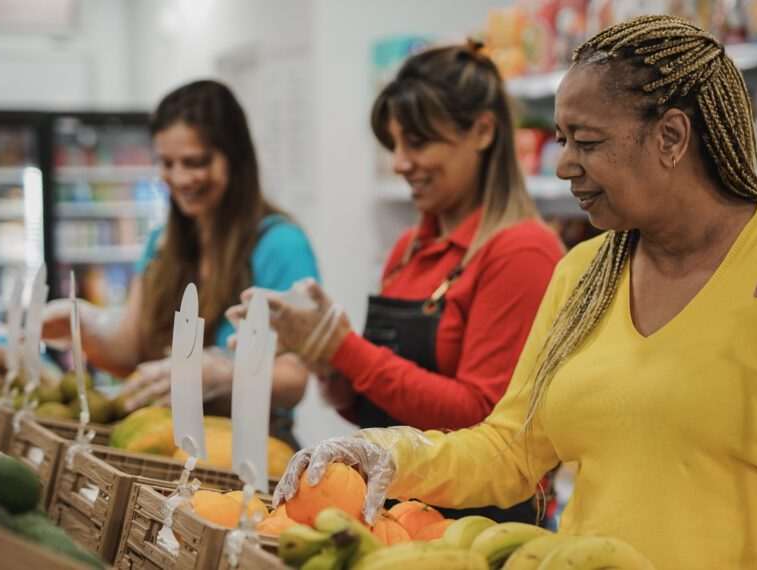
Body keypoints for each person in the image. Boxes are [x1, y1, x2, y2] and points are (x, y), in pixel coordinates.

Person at [255, 17, 757, 568]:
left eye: (586, 141)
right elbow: (511, 450)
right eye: (560, 139)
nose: (564, 165)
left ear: (671, 137)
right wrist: (391, 453)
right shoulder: (584, 273)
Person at [230, 43, 564, 523]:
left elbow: (486, 423)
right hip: (395, 513)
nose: (401, 162)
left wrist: (344, 347)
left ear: (483, 132)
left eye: (419, 142)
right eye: (395, 145)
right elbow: (388, 415)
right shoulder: (408, 250)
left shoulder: (522, 253)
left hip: (477, 528)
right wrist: (327, 366)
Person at [42, 80, 319, 445]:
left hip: (252, 457)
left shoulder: (280, 245)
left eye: (196, 162)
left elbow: (294, 378)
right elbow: (130, 350)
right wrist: (82, 326)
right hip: (167, 450)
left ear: (234, 158)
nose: (180, 178)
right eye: (167, 164)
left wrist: (223, 374)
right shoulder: (162, 243)